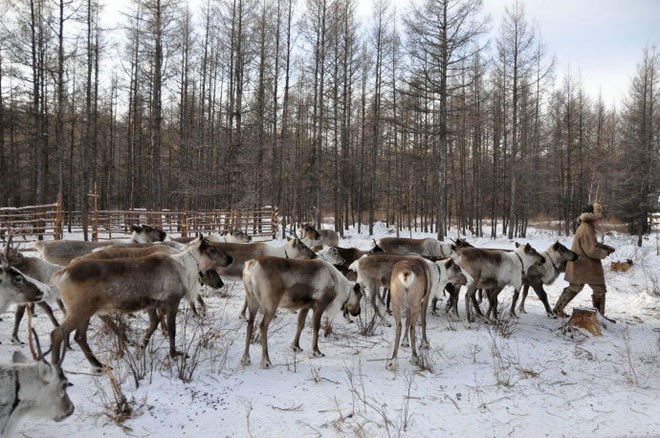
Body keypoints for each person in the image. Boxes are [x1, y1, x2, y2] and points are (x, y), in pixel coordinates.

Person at [553, 202, 615, 319]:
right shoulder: (586, 229)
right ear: (592, 218)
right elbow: (591, 251)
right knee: (599, 289)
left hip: (582, 265)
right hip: (585, 266)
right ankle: (599, 317)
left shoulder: (585, 227)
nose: (598, 221)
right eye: (597, 218)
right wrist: (605, 252)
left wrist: (604, 247)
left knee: (574, 288)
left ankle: (557, 310)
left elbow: (591, 244)